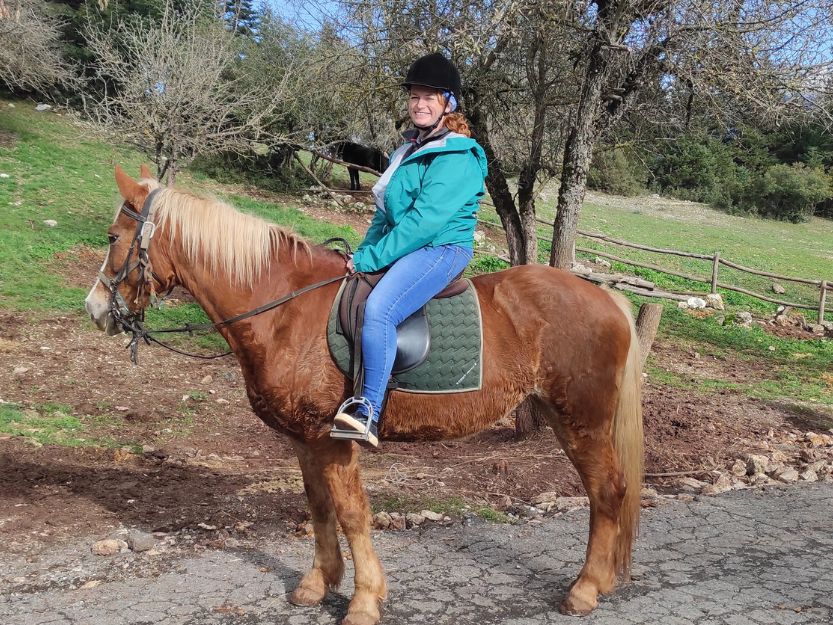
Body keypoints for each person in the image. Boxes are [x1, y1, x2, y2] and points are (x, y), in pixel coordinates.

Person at [330, 52, 488, 447]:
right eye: (414, 97)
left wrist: (372, 259)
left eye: (429, 97)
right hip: (409, 244)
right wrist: (361, 254)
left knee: (380, 308)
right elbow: (384, 217)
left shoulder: (459, 156)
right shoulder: (407, 152)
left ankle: (367, 410)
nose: (419, 104)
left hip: (441, 247)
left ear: (448, 104)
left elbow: (424, 224)